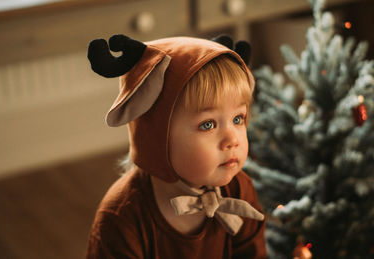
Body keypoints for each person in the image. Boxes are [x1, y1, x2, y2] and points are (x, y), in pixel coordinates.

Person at [85, 34, 267, 258]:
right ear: (157, 137)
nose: (232, 139)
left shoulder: (240, 190)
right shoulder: (123, 217)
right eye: (208, 124)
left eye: (238, 119)